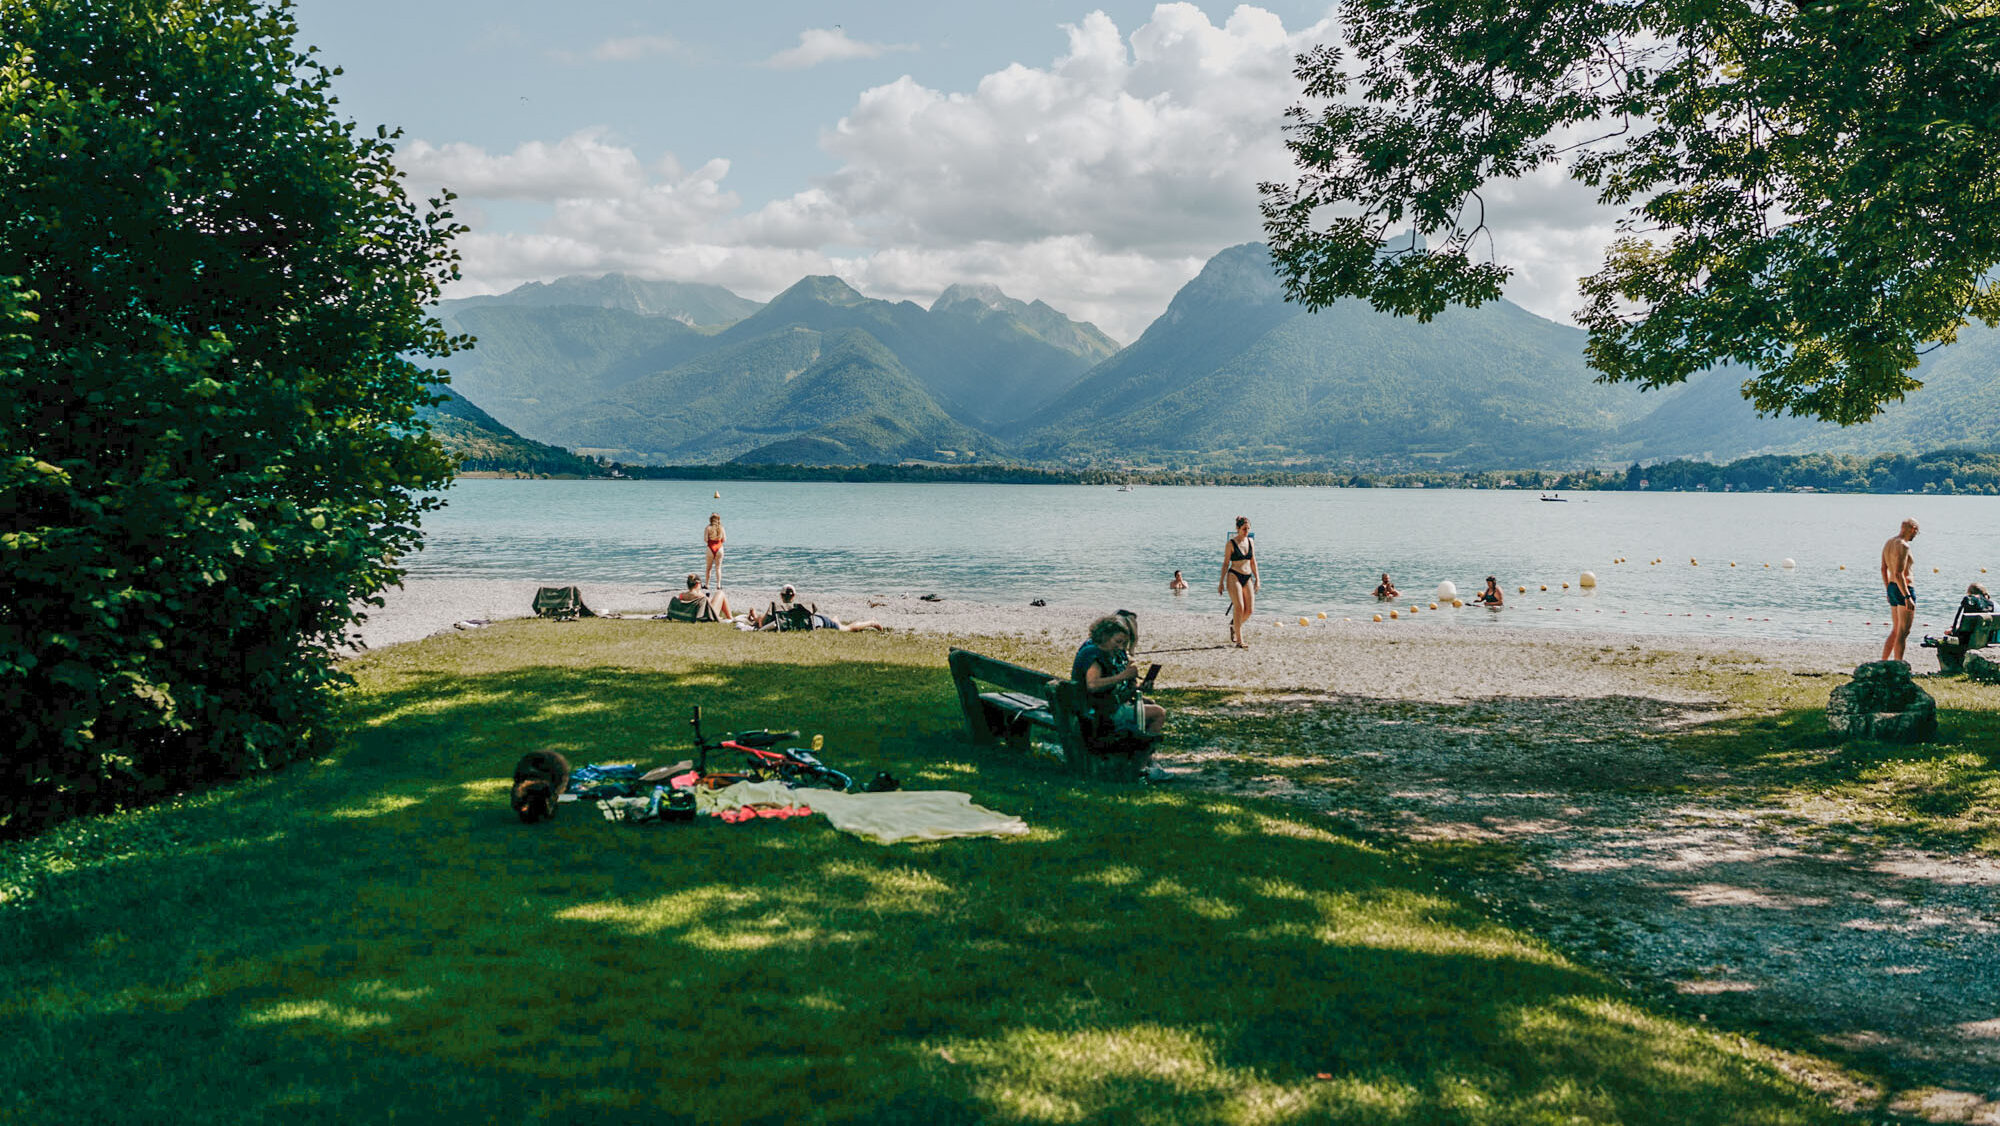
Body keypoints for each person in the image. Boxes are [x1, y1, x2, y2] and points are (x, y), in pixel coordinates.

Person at [1072, 614, 1166, 779]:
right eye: (1118, 642)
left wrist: (1137, 688)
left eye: (1123, 643)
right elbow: (1093, 685)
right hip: (1098, 715)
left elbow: (1113, 691)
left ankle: (1141, 759)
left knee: (1147, 704)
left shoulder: (1105, 653)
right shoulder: (1094, 654)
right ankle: (1140, 767)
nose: (1121, 647)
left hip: (1099, 709)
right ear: (1104, 637)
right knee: (1158, 713)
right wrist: (1123, 675)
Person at [1881, 517, 1919, 661]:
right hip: (1904, 589)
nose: (1916, 535)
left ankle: (1883, 661)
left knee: (1896, 629)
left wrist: (1888, 589)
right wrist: (1907, 596)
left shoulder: (1889, 543)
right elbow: (1899, 573)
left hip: (1892, 587)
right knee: (1903, 632)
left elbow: (1883, 569)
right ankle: (1898, 663)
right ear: (1913, 529)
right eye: (1916, 532)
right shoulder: (1903, 545)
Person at [771, 584, 885, 631]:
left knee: (846, 629)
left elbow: (764, 623)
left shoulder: (778, 611)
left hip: (819, 621)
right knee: (834, 623)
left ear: (781, 595)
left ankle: (871, 622)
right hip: (818, 620)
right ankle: (834, 620)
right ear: (794, 596)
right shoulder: (802, 608)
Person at [1217, 516, 1258, 648]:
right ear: (1238, 529)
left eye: (1248, 529)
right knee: (1239, 607)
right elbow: (1225, 563)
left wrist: (1258, 579)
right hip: (1234, 575)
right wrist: (1221, 582)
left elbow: (1253, 561)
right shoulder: (1231, 544)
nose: (1246, 531)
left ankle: (1234, 625)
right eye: (1244, 529)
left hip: (1247, 577)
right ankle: (1240, 641)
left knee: (1249, 610)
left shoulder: (1251, 541)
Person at [703, 512, 726, 590]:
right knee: (718, 568)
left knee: (708, 568)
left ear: (710, 519)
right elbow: (724, 539)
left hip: (710, 547)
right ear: (718, 519)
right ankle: (718, 585)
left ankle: (707, 585)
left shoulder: (708, 528)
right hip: (719, 547)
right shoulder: (721, 528)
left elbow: (705, 539)